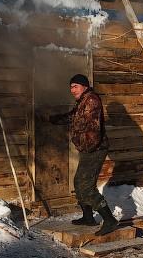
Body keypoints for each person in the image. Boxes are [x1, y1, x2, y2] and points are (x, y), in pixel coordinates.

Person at [48, 74, 118, 235]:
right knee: (79, 182)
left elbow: (94, 129)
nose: (72, 90)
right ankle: (88, 217)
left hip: (94, 149)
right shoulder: (83, 102)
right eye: (71, 87)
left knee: (85, 186)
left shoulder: (91, 101)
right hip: (87, 149)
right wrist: (55, 119)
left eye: (76, 86)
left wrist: (88, 148)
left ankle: (110, 220)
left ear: (85, 86)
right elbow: (73, 116)